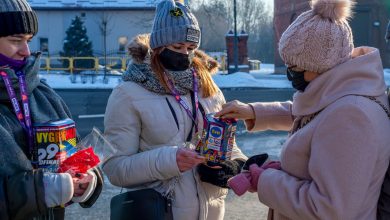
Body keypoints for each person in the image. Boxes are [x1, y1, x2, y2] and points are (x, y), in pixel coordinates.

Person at [217, 0, 390, 219]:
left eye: (296, 68)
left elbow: (329, 209)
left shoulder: (351, 115)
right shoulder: (343, 95)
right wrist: (253, 112)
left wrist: (265, 180)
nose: (291, 74)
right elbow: (314, 114)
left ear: (322, 66)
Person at [102, 1, 247, 219]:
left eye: (191, 48)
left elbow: (229, 144)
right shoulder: (128, 93)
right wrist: (170, 161)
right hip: (160, 212)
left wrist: (234, 165)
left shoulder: (207, 86)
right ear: (158, 47)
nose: (185, 55)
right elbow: (115, 168)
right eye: (177, 47)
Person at [0, 0, 102, 219]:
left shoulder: (43, 93)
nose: (26, 51)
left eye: (28, 40)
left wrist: (85, 179)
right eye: (15, 40)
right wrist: (44, 190)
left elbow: (75, 153)